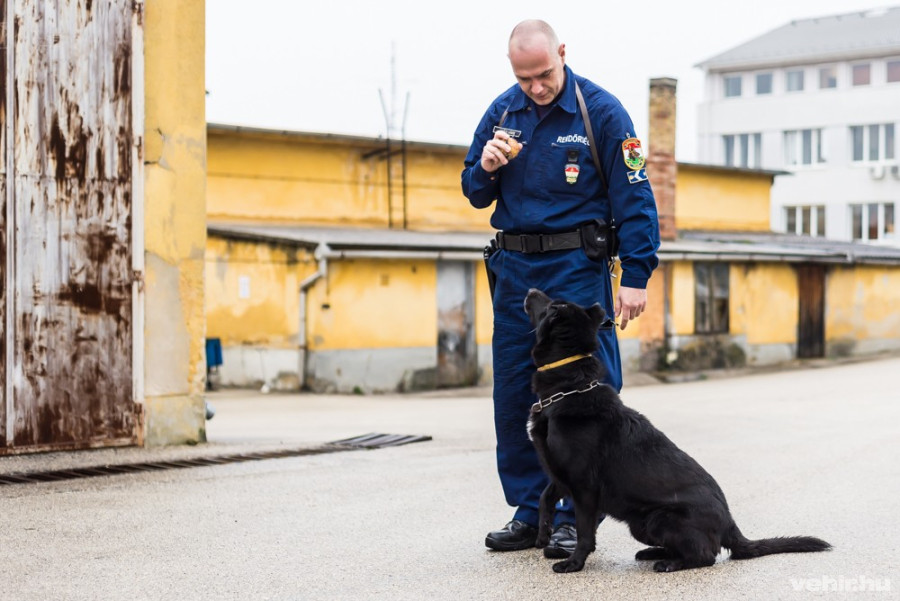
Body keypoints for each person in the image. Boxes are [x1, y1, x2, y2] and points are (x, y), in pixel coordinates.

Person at [461, 20, 660, 558]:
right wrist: (486, 167)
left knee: (583, 399)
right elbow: (474, 191)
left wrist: (636, 275)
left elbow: (636, 196)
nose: (536, 87)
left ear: (562, 54)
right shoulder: (503, 112)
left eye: (544, 74)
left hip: (576, 268)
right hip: (515, 274)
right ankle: (532, 513)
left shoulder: (602, 113)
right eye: (524, 78)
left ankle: (575, 516)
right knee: (514, 394)